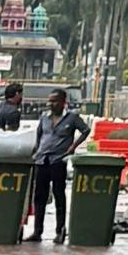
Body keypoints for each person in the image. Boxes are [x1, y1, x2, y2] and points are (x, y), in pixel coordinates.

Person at [24, 87, 83, 242]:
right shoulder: (44, 118)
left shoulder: (72, 118)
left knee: (59, 195)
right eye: (49, 101)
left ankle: (60, 230)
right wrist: (35, 152)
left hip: (58, 161)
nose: (51, 104)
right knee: (39, 197)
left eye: (55, 101)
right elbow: (39, 135)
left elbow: (86, 130)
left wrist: (73, 146)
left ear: (63, 102)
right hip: (42, 160)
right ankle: (37, 231)